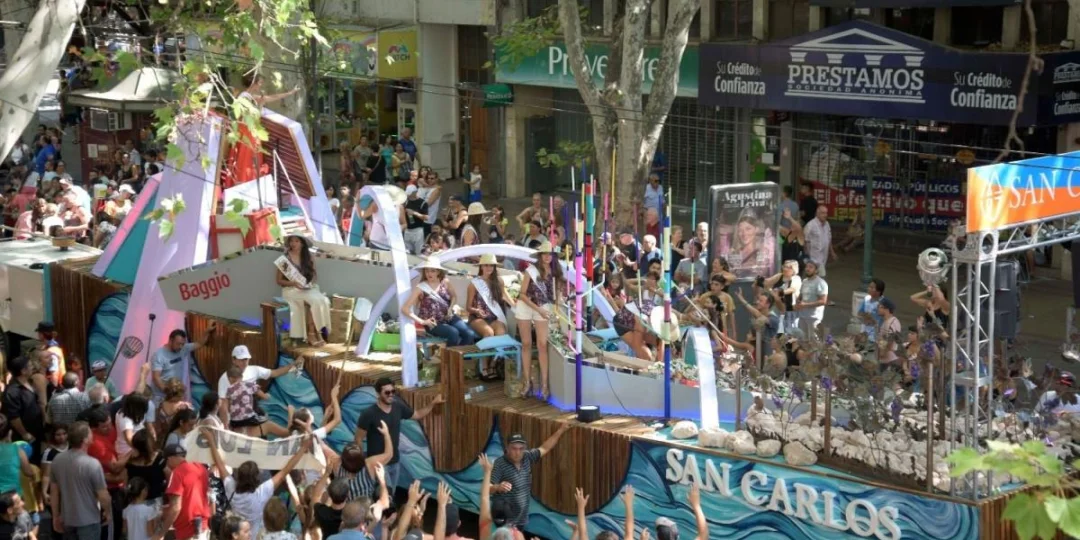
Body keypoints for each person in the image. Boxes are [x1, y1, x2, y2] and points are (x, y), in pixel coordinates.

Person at [209, 431, 309, 539]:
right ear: (257, 480)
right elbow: (285, 471)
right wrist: (303, 448)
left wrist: (211, 440)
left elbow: (220, 463)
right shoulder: (261, 493)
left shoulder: (231, 488)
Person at [354, 378, 443, 492]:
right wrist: (363, 463)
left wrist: (433, 403)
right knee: (385, 495)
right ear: (378, 394)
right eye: (387, 392)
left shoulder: (398, 406)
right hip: (379, 464)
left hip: (395, 461)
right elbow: (358, 439)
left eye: (393, 391)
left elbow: (417, 414)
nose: (391, 395)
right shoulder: (369, 414)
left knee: (391, 494)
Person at [489, 427, 571, 530]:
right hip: (505, 520)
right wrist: (498, 487)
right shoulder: (500, 463)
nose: (518, 452)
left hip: (521, 519)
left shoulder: (527, 457)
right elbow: (487, 488)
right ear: (507, 448)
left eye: (521, 449)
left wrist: (561, 430)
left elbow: (545, 448)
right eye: (514, 448)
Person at [515, 241, 564, 400]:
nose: (547, 257)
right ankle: (527, 382)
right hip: (527, 306)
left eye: (550, 254)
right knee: (526, 343)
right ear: (540, 255)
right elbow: (522, 294)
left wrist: (559, 306)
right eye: (544, 254)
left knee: (542, 344)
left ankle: (544, 385)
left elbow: (557, 295)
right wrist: (538, 310)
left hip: (543, 308)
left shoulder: (556, 272)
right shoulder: (531, 270)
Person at [49, 422, 111, 540]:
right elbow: (103, 495)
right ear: (85, 439)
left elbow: (54, 492)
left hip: (67, 519)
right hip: (89, 520)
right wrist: (107, 512)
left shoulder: (57, 460)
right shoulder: (92, 464)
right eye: (90, 433)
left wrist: (56, 516)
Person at [401, 257, 479, 346]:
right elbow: (405, 309)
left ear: (438, 271)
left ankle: (457, 353)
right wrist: (422, 321)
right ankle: (450, 354)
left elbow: (454, 296)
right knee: (453, 333)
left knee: (469, 334)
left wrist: (450, 308)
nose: (429, 273)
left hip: (449, 317)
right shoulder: (421, 287)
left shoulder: (445, 282)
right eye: (427, 271)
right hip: (432, 322)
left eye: (432, 271)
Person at [215, 345, 297, 426]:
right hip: (235, 415)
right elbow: (223, 405)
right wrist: (226, 425)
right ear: (233, 360)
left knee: (266, 420)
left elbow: (275, 373)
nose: (244, 363)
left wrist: (294, 364)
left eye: (246, 359)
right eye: (241, 360)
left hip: (251, 411)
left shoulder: (254, 370)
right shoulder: (225, 378)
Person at [276, 235, 332, 346]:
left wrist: (308, 284)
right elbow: (278, 281)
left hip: (306, 289)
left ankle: (320, 332)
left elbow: (314, 276)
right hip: (291, 290)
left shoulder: (309, 257)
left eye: (296, 241)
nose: (293, 243)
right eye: (291, 241)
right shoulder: (284, 259)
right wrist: (294, 283)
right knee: (314, 300)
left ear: (302, 244)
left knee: (324, 300)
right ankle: (312, 334)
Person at [467, 254, 515, 379]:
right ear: (481, 267)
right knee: (488, 333)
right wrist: (476, 310)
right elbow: (468, 307)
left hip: (494, 317)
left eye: (491, 266)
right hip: (477, 318)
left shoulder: (499, 282)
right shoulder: (474, 284)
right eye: (486, 265)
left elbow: (505, 296)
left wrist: (516, 307)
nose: (489, 268)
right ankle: (483, 366)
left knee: (501, 332)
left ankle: (493, 364)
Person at [155, 443, 210, 540]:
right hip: (203, 526)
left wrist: (161, 533)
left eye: (166, 461)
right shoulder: (201, 468)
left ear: (170, 458)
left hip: (187, 530)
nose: (167, 465)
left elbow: (176, 508)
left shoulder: (177, 473)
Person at [151, 322, 216, 404]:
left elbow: (199, 343)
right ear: (170, 340)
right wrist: (167, 392)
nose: (181, 347)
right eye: (178, 344)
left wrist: (207, 331)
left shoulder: (183, 348)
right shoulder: (159, 355)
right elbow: (156, 377)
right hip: (161, 396)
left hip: (175, 395)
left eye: (183, 344)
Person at [2, 357, 45, 464]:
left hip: (36, 431)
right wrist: (24, 433)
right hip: (24, 436)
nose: (32, 367)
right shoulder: (12, 391)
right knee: (27, 461)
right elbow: (14, 416)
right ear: (23, 371)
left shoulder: (30, 382)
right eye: (30, 366)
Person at [795, 259, 829, 336]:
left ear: (816, 270)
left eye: (811, 267)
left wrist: (805, 305)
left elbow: (823, 301)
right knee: (802, 340)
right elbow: (801, 296)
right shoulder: (804, 281)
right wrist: (798, 301)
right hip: (802, 316)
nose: (807, 269)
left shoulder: (820, 283)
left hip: (814, 318)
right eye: (806, 267)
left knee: (813, 341)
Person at [803, 205, 837, 277]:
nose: (825, 215)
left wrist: (832, 252)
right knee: (821, 275)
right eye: (823, 213)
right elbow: (805, 240)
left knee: (816, 276)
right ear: (817, 214)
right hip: (813, 257)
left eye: (826, 213)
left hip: (824, 256)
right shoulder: (810, 225)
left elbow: (829, 239)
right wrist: (806, 255)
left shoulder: (827, 224)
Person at [402, 185, 429, 255]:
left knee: (418, 253)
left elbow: (426, 217)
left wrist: (414, 213)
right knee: (408, 253)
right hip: (407, 230)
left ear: (415, 192)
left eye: (410, 193)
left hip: (418, 230)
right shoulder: (406, 202)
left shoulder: (422, 203)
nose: (408, 195)